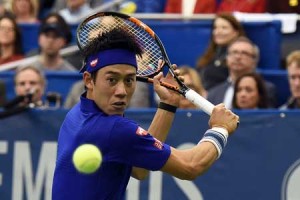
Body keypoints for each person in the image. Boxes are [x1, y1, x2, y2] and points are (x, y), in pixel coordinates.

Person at [52, 28, 239, 199]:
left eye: (129, 80)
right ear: (89, 80)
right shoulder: (114, 129)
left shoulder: (76, 114)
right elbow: (191, 166)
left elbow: (140, 169)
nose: (122, 91)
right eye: (111, 79)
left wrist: (167, 105)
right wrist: (220, 128)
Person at [207, 36, 277, 109]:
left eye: (244, 53)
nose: (238, 57)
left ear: (254, 61)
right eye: (234, 52)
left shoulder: (266, 89)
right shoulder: (213, 93)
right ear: (227, 58)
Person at [196, 13, 245, 91]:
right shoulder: (210, 54)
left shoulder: (241, 56)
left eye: (224, 28)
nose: (218, 32)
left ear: (236, 32)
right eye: (215, 28)